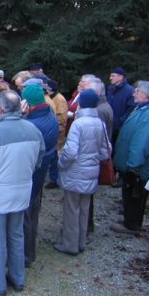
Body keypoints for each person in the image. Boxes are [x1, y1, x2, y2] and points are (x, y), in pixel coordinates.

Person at [0, 90, 44, 295]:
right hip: (22, 190)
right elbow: (39, 158)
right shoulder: (33, 129)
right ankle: (18, 277)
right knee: (16, 234)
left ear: (0, 108)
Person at [54, 90, 109, 255]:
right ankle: (81, 242)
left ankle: (70, 245)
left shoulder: (79, 123)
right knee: (84, 208)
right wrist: (92, 160)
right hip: (91, 171)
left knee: (71, 208)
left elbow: (70, 152)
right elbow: (106, 152)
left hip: (75, 171)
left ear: (81, 103)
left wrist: (61, 164)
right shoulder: (100, 123)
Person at [21, 84, 59, 267]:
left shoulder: (31, 125)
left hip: (31, 177)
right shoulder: (50, 115)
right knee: (33, 214)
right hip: (40, 173)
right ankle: (29, 252)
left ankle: (26, 255)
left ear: (28, 103)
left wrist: (20, 116)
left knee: (25, 217)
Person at [111, 81, 149, 235]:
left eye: (137, 91)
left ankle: (131, 225)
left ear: (146, 94)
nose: (134, 93)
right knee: (129, 193)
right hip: (132, 164)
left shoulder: (147, 114)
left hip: (137, 167)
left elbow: (142, 141)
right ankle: (129, 218)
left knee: (135, 194)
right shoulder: (140, 109)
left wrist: (133, 165)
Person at [45, 79, 68, 189]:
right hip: (53, 130)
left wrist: (50, 124)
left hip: (57, 133)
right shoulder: (51, 98)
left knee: (54, 157)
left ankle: (54, 179)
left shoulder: (60, 99)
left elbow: (62, 118)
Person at [107, 67, 136, 144]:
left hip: (120, 129)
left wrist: (119, 123)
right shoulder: (111, 89)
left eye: (113, 76)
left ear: (120, 77)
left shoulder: (130, 91)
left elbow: (130, 110)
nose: (110, 78)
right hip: (109, 127)